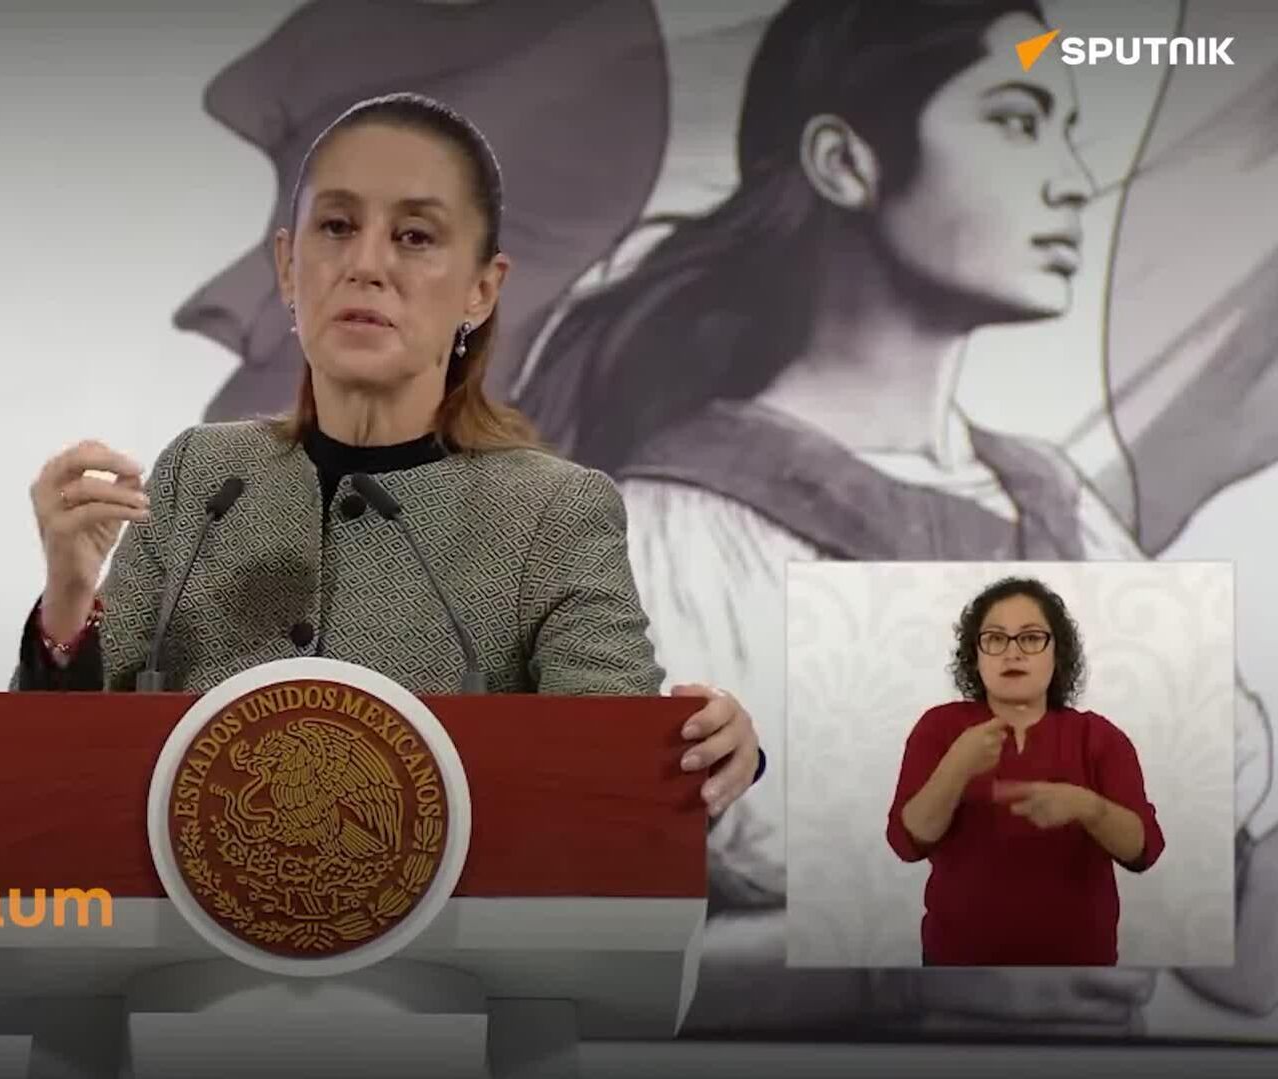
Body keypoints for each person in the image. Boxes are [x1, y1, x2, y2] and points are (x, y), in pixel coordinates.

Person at [512, 0, 1273, 1031]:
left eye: (1067, 130)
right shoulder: (665, 537)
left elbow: (1235, 951)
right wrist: (907, 965)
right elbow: (561, 968)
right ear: (845, 162)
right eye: (1017, 120)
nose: (1071, 180)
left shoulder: (1065, 513)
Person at [13, 91, 764, 818]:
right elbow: (56, 780)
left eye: (415, 236)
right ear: (288, 266)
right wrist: (69, 602)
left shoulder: (551, 514)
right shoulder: (200, 479)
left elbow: (618, 791)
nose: (366, 264)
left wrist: (708, 750)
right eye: (337, 226)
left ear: (481, 290)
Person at [888, 577, 1165, 967]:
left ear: (1057, 653)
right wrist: (957, 766)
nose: (1012, 653)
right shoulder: (939, 728)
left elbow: (1143, 850)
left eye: (1031, 638)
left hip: (1077, 971)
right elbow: (906, 843)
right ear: (975, 655)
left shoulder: (1099, 737)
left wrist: (1087, 807)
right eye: (995, 639)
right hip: (957, 969)